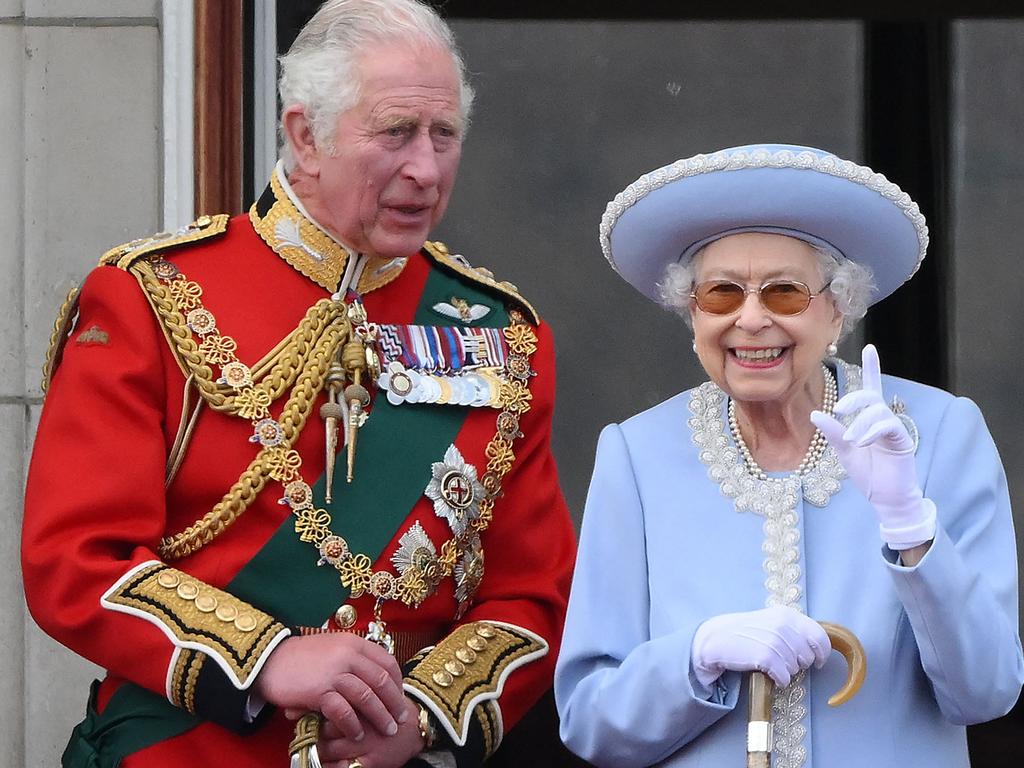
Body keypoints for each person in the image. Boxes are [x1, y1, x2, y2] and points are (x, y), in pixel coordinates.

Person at [22, 2, 576, 767]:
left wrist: (418, 715)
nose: (425, 168)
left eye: (443, 135)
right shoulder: (152, 296)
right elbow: (77, 558)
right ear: (305, 134)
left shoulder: (503, 335)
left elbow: (535, 596)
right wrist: (267, 660)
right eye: (395, 133)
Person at [554, 143, 1024, 767]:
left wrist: (912, 528)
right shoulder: (636, 456)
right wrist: (695, 657)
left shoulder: (941, 434)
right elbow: (591, 722)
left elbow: (987, 691)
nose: (751, 320)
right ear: (692, 314)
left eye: (784, 293)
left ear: (838, 311)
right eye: (721, 294)